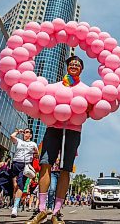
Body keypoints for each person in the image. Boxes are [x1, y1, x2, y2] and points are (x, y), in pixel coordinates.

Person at [28, 56, 89, 224]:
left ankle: (57, 211)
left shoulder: (85, 89)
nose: (74, 66)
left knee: (65, 169)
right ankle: (40, 210)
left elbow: (89, 110)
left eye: (77, 64)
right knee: (45, 164)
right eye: (71, 64)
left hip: (73, 131)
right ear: (67, 67)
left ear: (81, 69)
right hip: (53, 128)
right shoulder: (53, 87)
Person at [10, 128, 38, 218]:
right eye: (24, 132)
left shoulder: (33, 144)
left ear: (31, 135)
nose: (25, 134)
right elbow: (12, 136)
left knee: (20, 185)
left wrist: (33, 154)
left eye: (27, 132)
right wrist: (18, 132)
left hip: (25, 166)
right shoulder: (19, 141)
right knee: (15, 186)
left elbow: (37, 154)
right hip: (15, 164)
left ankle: (15, 207)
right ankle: (15, 203)